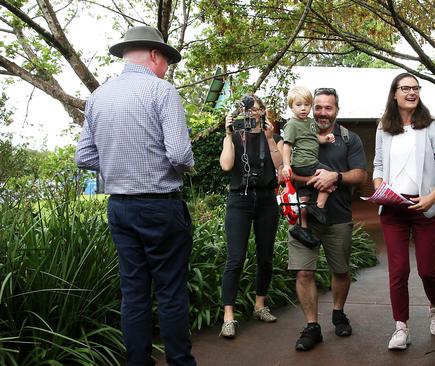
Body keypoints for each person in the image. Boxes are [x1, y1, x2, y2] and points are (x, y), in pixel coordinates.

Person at [75, 26, 196, 366]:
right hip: (160, 206)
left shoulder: (98, 96)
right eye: (166, 61)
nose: (167, 69)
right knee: (171, 291)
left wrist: (118, 163)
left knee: (134, 293)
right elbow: (180, 156)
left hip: (120, 208)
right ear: (155, 55)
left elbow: (84, 156)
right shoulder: (162, 91)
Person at [372, 72, 435, 350]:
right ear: (394, 93)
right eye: (405, 88)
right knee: (398, 270)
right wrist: (380, 187)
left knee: (428, 270)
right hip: (394, 208)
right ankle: (400, 328)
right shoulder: (384, 126)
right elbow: (378, 165)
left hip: (425, 207)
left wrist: (432, 197)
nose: (411, 92)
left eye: (415, 88)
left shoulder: (430, 125)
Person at [288, 87, 367, 351]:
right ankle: (312, 327)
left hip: (338, 217)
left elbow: (361, 175)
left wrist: (336, 177)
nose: (322, 113)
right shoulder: (298, 132)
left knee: (341, 271)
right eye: (317, 107)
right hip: (303, 219)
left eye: (327, 108)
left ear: (336, 110)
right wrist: (309, 179)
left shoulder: (348, 139)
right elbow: (282, 171)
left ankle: (338, 312)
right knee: (303, 271)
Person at [218, 95, 284, 338]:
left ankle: (260, 305)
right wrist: (227, 135)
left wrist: (269, 138)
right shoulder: (235, 136)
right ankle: (228, 316)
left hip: (267, 199)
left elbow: (280, 168)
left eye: (257, 109)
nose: (252, 114)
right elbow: (226, 166)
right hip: (240, 201)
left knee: (265, 256)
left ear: (263, 111)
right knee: (235, 258)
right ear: (240, 113)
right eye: (247, 110)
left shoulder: (272, 137)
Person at [281, 86, 335, 248]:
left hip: (306, 163)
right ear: (291, 106)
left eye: (306, 105)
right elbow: (287, 146)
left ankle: (303, 228)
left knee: (303, 199)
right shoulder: (291, 124)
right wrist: (286, 165)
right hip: (305, 162)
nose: (303, 108)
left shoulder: (311, 122)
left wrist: (326, 138)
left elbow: (315, 138)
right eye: (298, 105)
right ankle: (318, 207)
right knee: (331, 176)